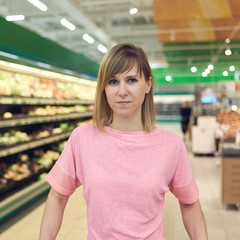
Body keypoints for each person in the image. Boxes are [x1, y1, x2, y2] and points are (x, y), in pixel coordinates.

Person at [40, 43, 208, 240]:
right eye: (113, 81)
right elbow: (57, 197)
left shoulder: (171, 145)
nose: (122, 91)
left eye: (131, 80)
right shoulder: (82, 138)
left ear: (148, 84)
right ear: (103, 87)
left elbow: (189, 203)